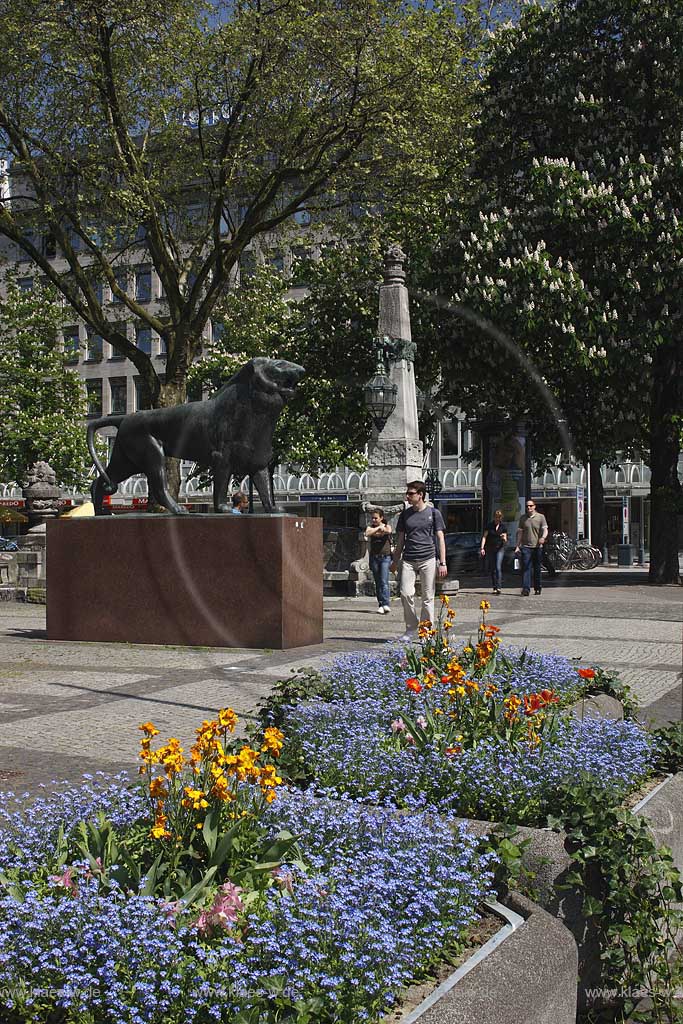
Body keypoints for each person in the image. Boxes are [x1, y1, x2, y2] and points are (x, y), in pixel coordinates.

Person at [390, 481, 447, 638]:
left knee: (428, 597)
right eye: (407, 493)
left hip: (428, 558)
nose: (407, 496)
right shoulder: (405, 515)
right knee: (405, 593)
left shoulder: (434, 513)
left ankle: (426, 631)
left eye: (411, 493)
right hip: (408, 559)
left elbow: (440, 538)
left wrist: (442, 562)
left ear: (420, 495)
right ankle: (411, 627)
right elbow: (400, 540)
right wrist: (395, 561)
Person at [514, 499, 548, 596]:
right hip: (526, 547)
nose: (529, 507)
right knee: (526, 567)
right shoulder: (523, 518)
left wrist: (543, 537)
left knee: (537, 568)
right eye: (527, 506)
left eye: (531, 506)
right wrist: (517, 546)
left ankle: (538, 587)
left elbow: (545, 530)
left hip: (537, 546)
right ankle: (526, 589)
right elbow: (520, 532)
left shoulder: (541, 517)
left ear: (534, 506)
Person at [365, 509, 392, 614]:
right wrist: (378, 529)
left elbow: (388, 531)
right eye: (372, 518)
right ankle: (381, 604)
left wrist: (382, 528)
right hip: (374, 557)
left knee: (384, 581)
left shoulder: (387, 525)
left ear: (381, 518)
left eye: (376, 518)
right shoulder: (371, 527)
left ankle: (386, 604)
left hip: (385, 557)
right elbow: (367, 533)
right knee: (377, 581)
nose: (374, 520)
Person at [480, 509, 508, 594]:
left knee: (498, 567)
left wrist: (504, 538)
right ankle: (494, 587)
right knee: (492, 568)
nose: (497, 519)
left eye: (499, 517)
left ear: (501, 518)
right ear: (494, 517)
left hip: (500, 548)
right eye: (496, 517)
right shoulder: (489, 526)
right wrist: (482, 548)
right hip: (490, 548)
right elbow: (484, 537)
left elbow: (506, 539)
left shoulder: (503, 526)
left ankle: (499, 587)